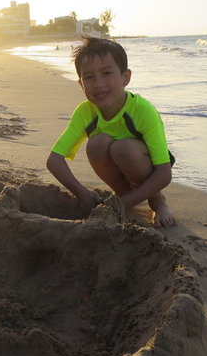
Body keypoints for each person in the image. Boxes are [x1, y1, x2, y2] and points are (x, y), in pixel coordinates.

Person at [46, 36, 175, 226]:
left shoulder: (142, 110)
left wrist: (120, 205)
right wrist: (83, 194)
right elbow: (54, 160)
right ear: (81, 84)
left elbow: (164, 173)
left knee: (123, 148)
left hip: (144, 167)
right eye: (89, 77)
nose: (98, 83)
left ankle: (158, 201)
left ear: (125, 77)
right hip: (119, 173)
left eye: (106, 73)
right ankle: (123, 194)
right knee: (96, 143)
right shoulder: (85, 112)